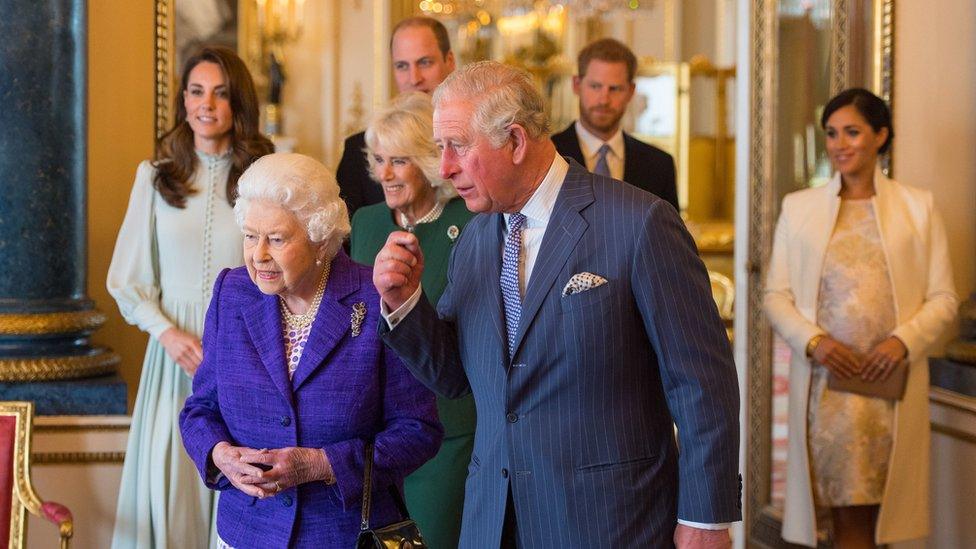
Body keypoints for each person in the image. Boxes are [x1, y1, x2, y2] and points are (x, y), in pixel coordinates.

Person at [374, 61, 740, 548]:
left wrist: (706, 517)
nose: (443, 168)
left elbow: (701, 382)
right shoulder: (476, 239)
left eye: (457, 147)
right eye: (441, 149)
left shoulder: (639, 223)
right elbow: (457, 378)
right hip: (492, 523)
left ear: (516, 141)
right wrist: (403, 303)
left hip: (608, 522)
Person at [179, 153, 443, 548]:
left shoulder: (374, 299)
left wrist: (322, 465)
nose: (259, 255)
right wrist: (219, 455)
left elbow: (419, 432)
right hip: (246, 534)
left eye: (277, 239)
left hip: (343, 535)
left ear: (320, 238)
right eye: (250, 236)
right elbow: (200, 409)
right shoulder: (232, 293)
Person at [764, 88, 957, 548]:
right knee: (845, 516)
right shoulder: (800, 207)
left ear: (881, 136)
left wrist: (901, 342)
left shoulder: (918, 207)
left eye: (852, 131)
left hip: (891, 388)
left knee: (885, 518)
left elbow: (944, 297)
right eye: (831, 133)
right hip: (827, 391)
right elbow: (776, 296)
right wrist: (816, 342)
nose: (839, 144)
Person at [107, 45, 274, 549]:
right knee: (173, 480)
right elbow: (127, 275)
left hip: (245, 353)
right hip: (173, 356)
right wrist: (166, 332)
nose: (207, 104)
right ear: (183, 100)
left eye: (221, 93)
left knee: (237, 478)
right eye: (197, 92)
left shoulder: (263, 177)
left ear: (237, 103)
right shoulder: (156, 176)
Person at [350, 91, 475, 549]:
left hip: (448, 431)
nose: (384, 174)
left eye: (399, 160)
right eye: (379, 159)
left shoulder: (472, 222)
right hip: (374, 435)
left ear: (428, 159)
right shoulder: (364, 222)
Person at [336, 16, 456, 218]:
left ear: (450, 61)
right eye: (402, 66)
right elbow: (347, 245)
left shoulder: (472, 145)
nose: (414, 78)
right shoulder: (358, 151)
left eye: (425, 62)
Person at [551, 38, 679, 210]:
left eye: (615, 89)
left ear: (631, 91)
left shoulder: (659, 165)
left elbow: (667, 234)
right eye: (595, 86)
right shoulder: (550, 154)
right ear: (576, 85)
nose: (604, 100)